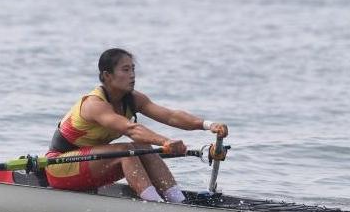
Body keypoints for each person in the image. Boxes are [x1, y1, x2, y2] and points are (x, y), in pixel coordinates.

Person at [46, 48, 228, 203]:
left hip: (90, 163)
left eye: (133, 69)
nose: (132, 75)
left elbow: (171, 116)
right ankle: (154, 205)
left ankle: (177, 201)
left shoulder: (133, 99)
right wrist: (165, 142)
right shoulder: (94, 104)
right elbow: (131, 129)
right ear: (107, 76)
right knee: (128, 151)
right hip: (60, 166)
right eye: (125, 70)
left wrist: (208, 125)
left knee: (142, 147)